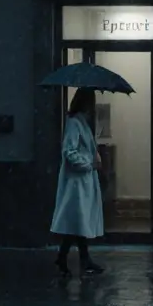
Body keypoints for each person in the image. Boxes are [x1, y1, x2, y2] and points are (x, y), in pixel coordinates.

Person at [50, 88, 105, 277]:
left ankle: (64, 256)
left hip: (82, 181)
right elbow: (69, 151)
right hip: (77, 182)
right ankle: (82, 260)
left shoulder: (82, 123)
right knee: (78, 220)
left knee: (77, 221)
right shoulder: (75, 123)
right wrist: (88, 163)